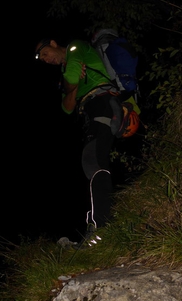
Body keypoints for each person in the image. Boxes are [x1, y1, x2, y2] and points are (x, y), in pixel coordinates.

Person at [34, 38, 124, 249]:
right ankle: (101, 226)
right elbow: (66, 106)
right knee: (92, 161)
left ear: (54, 43)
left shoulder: (75, 47)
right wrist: (71, 86)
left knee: (93, 160)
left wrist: (70, 83)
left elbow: (72, 78)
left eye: (44, 53)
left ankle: (100, 228)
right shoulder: (67, 68)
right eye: (42, 59)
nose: (46, 60)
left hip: (101, 102)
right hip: (91, 111)